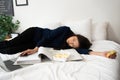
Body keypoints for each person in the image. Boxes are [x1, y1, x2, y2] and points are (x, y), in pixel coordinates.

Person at [0, 26, 116, 59]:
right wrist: (36, 49)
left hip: (34, 44)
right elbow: (47, 38)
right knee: (9, 44)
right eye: (73, 40)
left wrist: (102, 54)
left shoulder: (66, 46)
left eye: (73, 45)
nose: (71, 43)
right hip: (34, 33)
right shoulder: (65, 30)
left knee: (10, 51)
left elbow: (82, 51)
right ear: (76, 35)